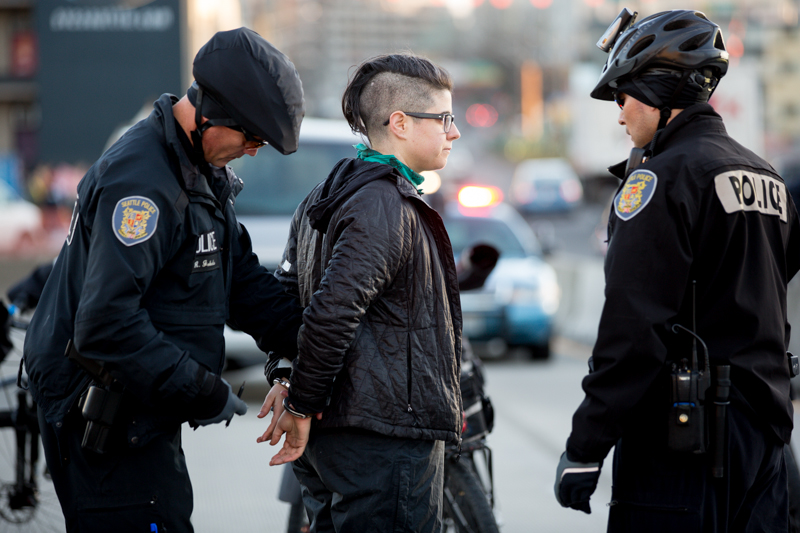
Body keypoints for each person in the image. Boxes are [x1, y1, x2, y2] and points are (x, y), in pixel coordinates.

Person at [24, 27, 306, 532]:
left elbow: (240, 279)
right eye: (251, 137)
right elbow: (106, 322)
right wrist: (202, 390)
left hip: (139, 401)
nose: (253, 151)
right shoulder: (144, 184)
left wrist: (312, 341)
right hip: (99, 409)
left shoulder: (195, 169)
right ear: (211, 115)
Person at [554, 9, 800, 532]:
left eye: (622, 96)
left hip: (684, 447)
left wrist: (585, 447)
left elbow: (633, 329)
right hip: (768, 446)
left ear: (655, 91)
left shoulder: (660, 182)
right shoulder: (766, 176)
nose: (619, 114)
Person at [256, 53, 463, 532]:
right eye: (444, 119)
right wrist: (300, 402)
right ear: (400, 123)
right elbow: (331, 313)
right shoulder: (383, 203)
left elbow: (285, 301)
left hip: (340, 439)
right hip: (382, 440)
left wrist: (287, 378)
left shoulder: (325, 193)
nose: (453, 132)